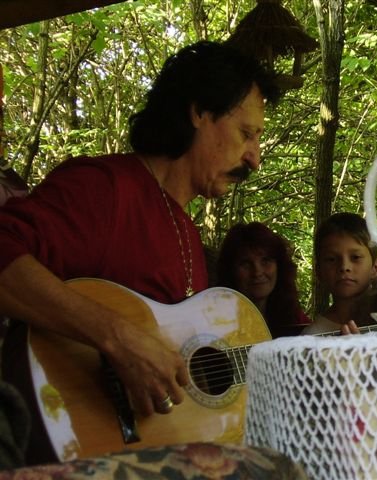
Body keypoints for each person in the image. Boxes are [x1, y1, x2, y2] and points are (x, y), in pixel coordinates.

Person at [0, 40, 279, 463]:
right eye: (246, 134)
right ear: (200, 113)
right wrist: (117, 338)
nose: (255, 158)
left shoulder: (188, 234)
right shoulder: (103, 189)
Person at [216, 222, 310, 337]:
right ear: (230, 270)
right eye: (246, 263)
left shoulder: (295, 317)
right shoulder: (214, 321)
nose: (257, 272)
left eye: (265, 261)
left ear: (279, 266)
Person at [302, 212, 377, 335]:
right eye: (331, 259)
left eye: (355, 257)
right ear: (318, 271)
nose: (344, 267)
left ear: (376, 267)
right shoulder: (312, 336)